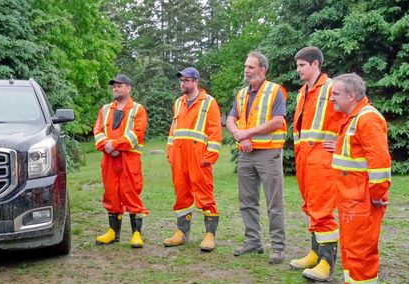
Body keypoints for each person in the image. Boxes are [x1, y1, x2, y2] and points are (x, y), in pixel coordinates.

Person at [329, 73, 391, 284]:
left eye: (336, 93)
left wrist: (377, 194)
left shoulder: (367, 119)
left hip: (363, 198)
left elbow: (380, 163)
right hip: (350, 197)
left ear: (351, 95)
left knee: (361, 246)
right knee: (350, 244)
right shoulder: (352, 117)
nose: (332, 98)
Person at [226, 52, 288, 264]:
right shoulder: (242, 93)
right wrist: (238, 135)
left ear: (263, 70)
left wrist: (247, 134)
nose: (246, 70)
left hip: (268, 154)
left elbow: (277, 122)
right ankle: (253, 241)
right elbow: (231, 119)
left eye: (251, 67)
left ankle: (278, 247)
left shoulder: (275, 91)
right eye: (246, 66)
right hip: (246, 153)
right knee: (247, 201)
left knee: (274, 203)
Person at [290, 47, 345, 281]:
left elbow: (354, 115)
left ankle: (326, 263)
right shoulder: (303, 92)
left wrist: (341, 143)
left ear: (315, 65)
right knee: (311, 206)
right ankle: (314, 253)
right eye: (297, 65)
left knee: (322, 209)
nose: (298, 70)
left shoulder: (333, 87)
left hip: (323, 160)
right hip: (305, 158)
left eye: (302, 65)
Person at [163, 67, 222, 252]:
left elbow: (215, 132)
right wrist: (170, 152)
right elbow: (173, 130)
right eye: (181, 80)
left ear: (195, 81)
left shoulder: (209, 102)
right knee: (182, 195)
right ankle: (181, 232)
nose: (182, 83)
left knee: (205, 195)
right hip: (179, 157)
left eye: (186, 80)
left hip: (199, 158)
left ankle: (210, 235)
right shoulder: (178, 102)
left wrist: (210, 156)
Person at [93, 74, 149, 248]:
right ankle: (112, 233)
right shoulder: (105, 109)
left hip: (129, 159)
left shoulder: (138, 109)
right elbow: (98, 130)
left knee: (131, 193)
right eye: (114, 86)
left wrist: (116, 145)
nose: (116, 89)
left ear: (128, 88)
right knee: (111, 193)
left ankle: (136, 234)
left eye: (119, 86)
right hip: (109, 160)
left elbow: (137, 132)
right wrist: (106, 145)